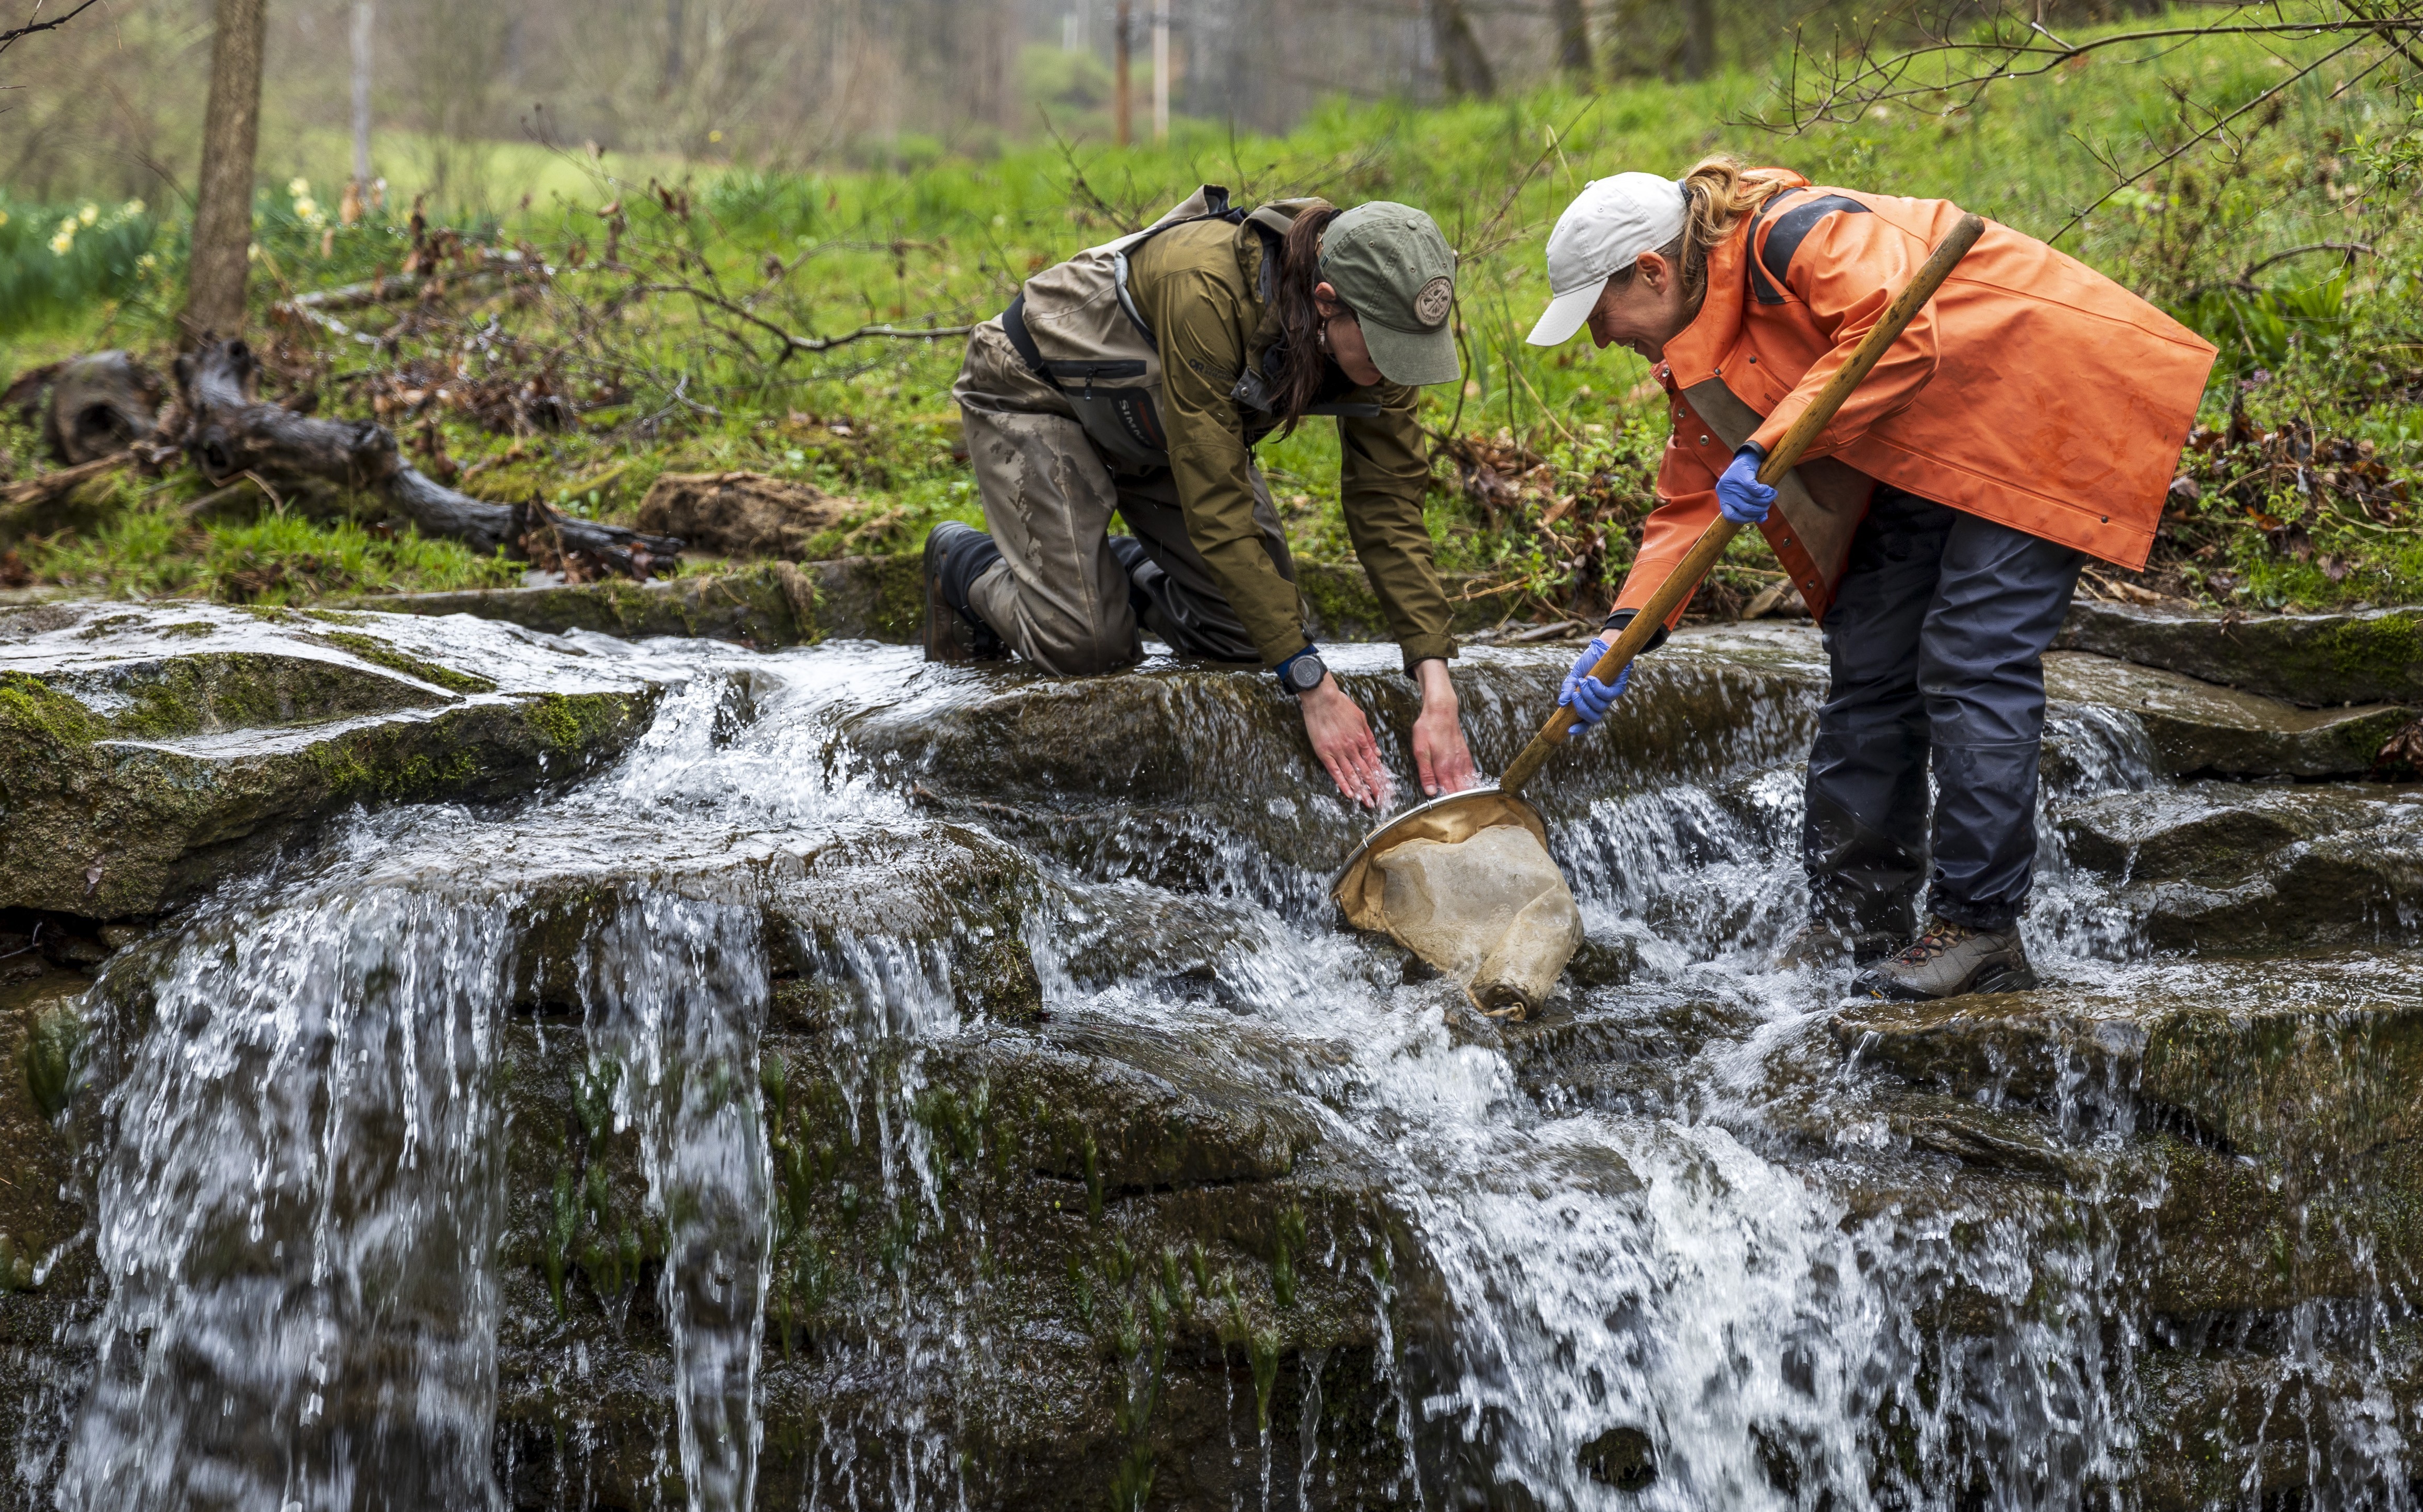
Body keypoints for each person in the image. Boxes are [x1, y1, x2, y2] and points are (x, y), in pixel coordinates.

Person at [1528, 158, 2215, 1000]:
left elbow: (1897, 332)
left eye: (1600, 315)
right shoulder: (1690, 341)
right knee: (1871, 653)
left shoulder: (1799, 232)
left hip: (2045, 400)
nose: (1601, 339)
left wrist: (1766, 441)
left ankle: (1978, 928)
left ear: (1650, 270)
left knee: (1970, 654)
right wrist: (1622, 630)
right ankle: (1856, 921)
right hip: (1932, 439)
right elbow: (1689, 496)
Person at [923, 187, 1477, 809]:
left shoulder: (1386, 326)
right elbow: (1218, 508)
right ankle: (961, 564)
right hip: (1040, 388)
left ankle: (1118, 574)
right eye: (1386, 350)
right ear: (1328, 304)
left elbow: (1389, 507)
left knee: (1252, 635)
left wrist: (1436, 681)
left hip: (1162, 427)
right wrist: (1313, 686)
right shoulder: (1208, 288)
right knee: (1087, 646)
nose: (1398, 368)